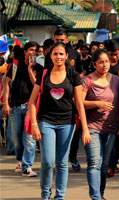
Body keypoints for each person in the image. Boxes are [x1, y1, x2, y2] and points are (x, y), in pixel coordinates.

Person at [29, 42, 90, 200]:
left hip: (67, 123)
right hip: (46, 122)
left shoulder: (73, 75)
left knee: (62, 163)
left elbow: (79, 103)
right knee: (48, 162)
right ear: (51, 56)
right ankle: (45, 193)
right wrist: (34, 124)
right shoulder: (44, 74)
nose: (58, 57)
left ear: (66, 56)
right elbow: (32, 102)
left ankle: (60, 196)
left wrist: (85, 129)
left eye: (61, 54)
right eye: (55, 54)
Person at [82, 49, 119, 200]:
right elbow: (79, 103)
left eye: (106, 61)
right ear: (94, 64)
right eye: (100, 62)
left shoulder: (116, 80)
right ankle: (95, 196)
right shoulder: (88, 81)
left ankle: (101, 194)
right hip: (92, 127)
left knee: (104, 165)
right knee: (94, 163)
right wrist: (96, 103)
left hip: (111, 128)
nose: (104, 65)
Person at [2, 41, 38, 177]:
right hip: (16, 106)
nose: (33, 52)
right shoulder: (15, 66)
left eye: (36, 50)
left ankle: (27, 166)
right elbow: (6, 83)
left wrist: (30, 69)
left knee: (29, 138)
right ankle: (20, 161)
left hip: (31, 107)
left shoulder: (37, 66)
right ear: (25, 51)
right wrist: (6, 102)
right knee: (16, 138)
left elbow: (37, 84)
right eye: (31, 50)